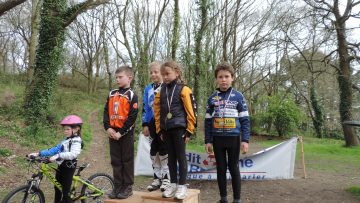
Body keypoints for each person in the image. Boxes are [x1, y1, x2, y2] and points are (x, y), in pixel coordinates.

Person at [204, 62, 250, 203]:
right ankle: (223, 198)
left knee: (234, 168)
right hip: (217, 139)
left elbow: (245, 120)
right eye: (220, 77)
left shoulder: (238, 96)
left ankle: (237, 199)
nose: (223, 79)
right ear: (216, 79)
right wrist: (208, 140)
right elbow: (207, 122)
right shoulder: (212, 98)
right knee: (221, 169)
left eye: (227, 76)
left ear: (232, 78)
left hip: (234, 138)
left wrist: (245, 140)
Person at [154, 60, 197, 200]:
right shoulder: (161, 91)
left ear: (177, 73)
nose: (165, 77)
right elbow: (157, 111)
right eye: (163, 74)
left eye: (168, 74)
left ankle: (182, 185)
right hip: (166, 130)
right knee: (170, 158)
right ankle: (172, 184)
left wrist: (189, 130)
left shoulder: (184, 89)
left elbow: (192, 111)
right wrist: (159, 129)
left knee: (181, 156)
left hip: (179, 129)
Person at [28, 115, 83, 203]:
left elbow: (73, 154)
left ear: (76, 129)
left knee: (65, 194)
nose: (65, 131)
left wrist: (58, 155)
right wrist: (38, 153)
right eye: (64, 129)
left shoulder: (77, 141)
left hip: (69, 167)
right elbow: (53, 150)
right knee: (57, 187)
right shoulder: (65, 140)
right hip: (61, 166)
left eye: (68, 129)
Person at [103, 65, 139, 199]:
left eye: (120, 77)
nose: (117, 79)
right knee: (116, 161)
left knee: (127, 160)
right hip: (112, 132)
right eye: (116, 77)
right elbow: (106, 112)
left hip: (126, 134)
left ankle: (127, 186)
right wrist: (108, 128)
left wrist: (121, 132)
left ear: (129, 78)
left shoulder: (132, 95)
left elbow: (132, 117)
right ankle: (117, 186)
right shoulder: (112, 93)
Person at [142, 61, 171, 192]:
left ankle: (167, 178)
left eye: (156, 72)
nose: (153, 75)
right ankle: (157, 178)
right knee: (154, 151)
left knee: (164, 150)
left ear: (162, 73)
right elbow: (145, 108)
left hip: (165, 124)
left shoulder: (167, 86)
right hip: (152, 123)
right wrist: (145, 124)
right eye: (151, 72)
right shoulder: (148, 88)